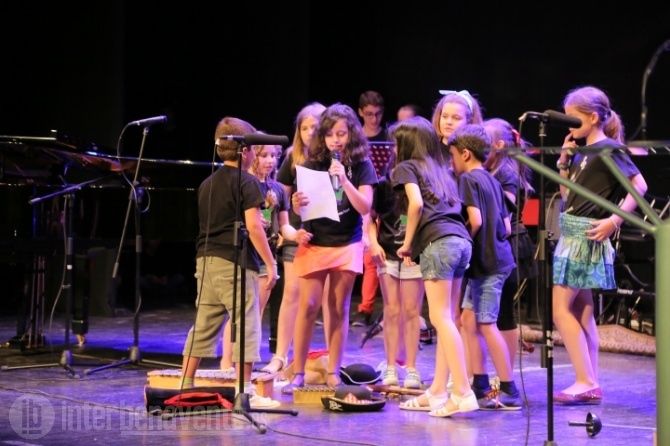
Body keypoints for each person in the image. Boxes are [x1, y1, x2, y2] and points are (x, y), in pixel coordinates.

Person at [552, 86, 647, 404]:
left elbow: (639, 186)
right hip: (572, 233)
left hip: (584, 236)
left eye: (573, 117)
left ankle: (585, 380)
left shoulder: (608, 149)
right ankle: (590, 380)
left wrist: (614, 221)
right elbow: (568, 197)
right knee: (582, 311)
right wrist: (564, 161)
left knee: (560, 311)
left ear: (593, 117)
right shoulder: (584, 152)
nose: (569, 124)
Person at [180, 117, 279, 409]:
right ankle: (244, 393)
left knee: (203, 324)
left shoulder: (206, 184)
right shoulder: (247, 182)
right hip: (234, 264)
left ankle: (185, 384)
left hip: (205, 262)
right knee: (247, 323)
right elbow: (254, 226)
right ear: (244, 151)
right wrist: (270, 264)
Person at [284, 103, 377, 391]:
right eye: (329, 135)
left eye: (341, 134)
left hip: (346, 242)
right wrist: (296, 204)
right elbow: (299, 207)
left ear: (351, 135)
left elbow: (365, 206)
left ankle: (334, 371)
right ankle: (298, 371)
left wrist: (345, 180)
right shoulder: (313, 163)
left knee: (338, 308)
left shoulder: (362, 165)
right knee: (309, 306)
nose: (335, 140)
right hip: (316, 241)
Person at [392, 116, 478, 417]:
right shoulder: (442, 170)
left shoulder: (406, 167)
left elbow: (415, 205)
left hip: (438, 243)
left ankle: (463, 392)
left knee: (440, 317)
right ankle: (438, 389)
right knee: (448, 319)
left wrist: (407, 243)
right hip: (461, 242)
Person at [450, 124, 521, 410]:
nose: (452, 161)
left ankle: (509, 388)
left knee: (487, 323)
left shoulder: (468, 179)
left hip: (488, 264)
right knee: (468, 320)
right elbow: (506, 225)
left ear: (465, 154)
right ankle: (479, 384)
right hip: (492, 261)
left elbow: (476, 221)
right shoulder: (492, 179)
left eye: (453, 155)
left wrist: (462, 242)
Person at [219, 140, 294, 372]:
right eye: (263, 155)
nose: (270, 160)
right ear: (253, 156)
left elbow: (283, 224)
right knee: (240, 313)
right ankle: (226, 363)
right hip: (246, 254)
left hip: (266, 255)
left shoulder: (277, 189)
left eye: (273, 156)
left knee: (256, 312)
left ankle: (244, 362)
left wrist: (293, 235)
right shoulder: (245, 184)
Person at [267, 102, 325, 374]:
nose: (310, 132)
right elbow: (279, 198)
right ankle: (280, 356)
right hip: (297, 233)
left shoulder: (335, 157)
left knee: (318, 301)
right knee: (291, 294)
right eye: (305, 128)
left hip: (327, 236)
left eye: (315, 126)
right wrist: (285, 219)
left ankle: (307, 359)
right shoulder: (293, 157)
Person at [367, 145, 425, 389]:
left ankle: (411, 368)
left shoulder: (423, 183)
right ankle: (391, 366)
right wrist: (373, 243)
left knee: (411, 311)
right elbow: (370, 218)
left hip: (413, 254)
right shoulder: (383, 184)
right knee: (391, 310)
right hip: (388, 254)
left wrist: (412, 245)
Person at [483, 118, 537, 371]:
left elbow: (504, 209)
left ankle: (505, 374)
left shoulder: (506, 173)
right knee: (496, 312)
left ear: (499, 145)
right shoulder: (493, 170)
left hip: (510, 244)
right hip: (499, 244)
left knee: (504, 313)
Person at [355, 90, 388, 327]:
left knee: (372, 257)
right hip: (359, 197)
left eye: (377, 114)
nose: (374, 119)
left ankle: (366, 309)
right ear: (360, 112)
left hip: (382, 200)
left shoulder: (388, 138)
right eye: (368, 114)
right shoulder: (355, 138)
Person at [432, 90, 484, 158]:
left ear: (469, 121)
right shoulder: (430, 149)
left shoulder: (475, 155)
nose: (449, 122)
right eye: (444, 116)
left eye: (456, 118)